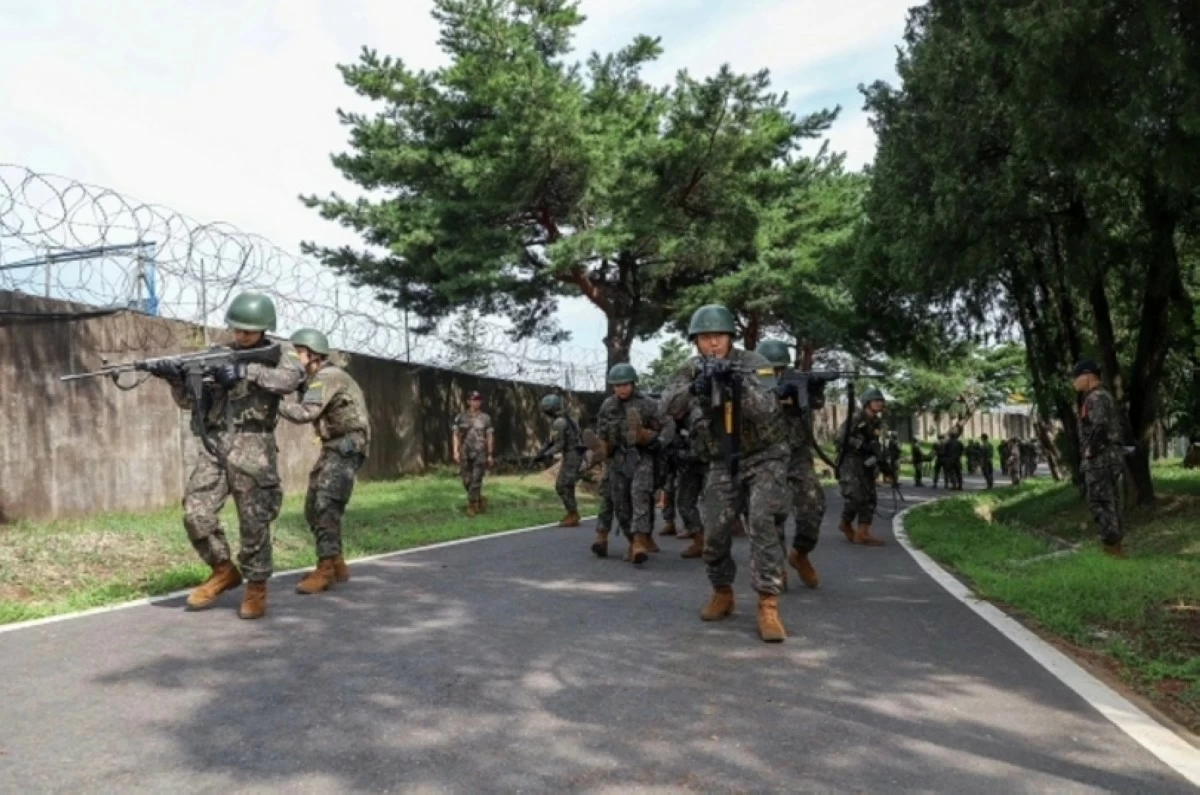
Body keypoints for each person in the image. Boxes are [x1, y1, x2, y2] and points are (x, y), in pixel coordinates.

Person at [143, 292, 305, 619]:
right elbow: (191, 402)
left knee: (253, 520)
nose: (241, 335)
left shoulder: (283, 353)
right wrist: (175, 378)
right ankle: (222, 570)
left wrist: (247, 373)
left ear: (264, 329)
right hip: (215, 443)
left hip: (253, 444)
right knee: (195, 511)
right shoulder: (218, 354)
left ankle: (256, 585)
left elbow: (291, 380)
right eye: (237, 329)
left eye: (249, 330)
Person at [661, 305, 790, 642]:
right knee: (715, 529)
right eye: (705, 338)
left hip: (764, 456)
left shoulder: (754, 364)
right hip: (722, 459)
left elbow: (767, 409)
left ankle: (768, 604)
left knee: (762, 520)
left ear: (730, 337)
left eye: (717, 336)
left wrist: (734, 383)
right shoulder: (690, 369)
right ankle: (722, 591)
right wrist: (696, 389)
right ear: (696, 342)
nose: (712, 344)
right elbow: (666, 408)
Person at [279, 328, 370, 594]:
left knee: (325, 502)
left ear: (314, 354)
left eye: (299, 352)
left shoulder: (328, 376)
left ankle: (326, 568)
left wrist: (273, 402)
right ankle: (336, 560)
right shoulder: (315, 379)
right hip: (333, 446)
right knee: (312, 507)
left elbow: (306, 412)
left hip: (347, 445)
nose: (293, 357)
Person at [756, 339, 822, 589]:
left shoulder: (796, 380)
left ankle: (800, 553)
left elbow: (815, 404)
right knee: (773, 512)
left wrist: (812, 388)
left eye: (780, 369)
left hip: (798, 455)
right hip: (767, 455)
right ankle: (777, 565)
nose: (776, 374)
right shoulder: (754, 383)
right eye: (771, 370)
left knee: (813, 507)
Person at [596, 364, 667, 564]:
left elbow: (665, 429)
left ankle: (639, 541)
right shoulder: (608, 406)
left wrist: (649, 437)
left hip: (642, 455)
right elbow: (601, 431)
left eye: (625, 384)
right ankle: (631, 539)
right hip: (617, 456)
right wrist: (602, 447)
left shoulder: (649, 404)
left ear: (633, 383)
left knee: (640, 494)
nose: (622, 389)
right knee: (620, 501)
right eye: (617, 385)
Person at [1072, 360, 1126, 556]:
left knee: (1101, 502)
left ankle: (1112, 548)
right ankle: (1114, 546)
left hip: (1101, 459)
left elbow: (1100, 426)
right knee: (1106, 501)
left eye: (1076, 377)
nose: (1074, 382)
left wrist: (1091, 451)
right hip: (1103, 457)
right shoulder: (1094, 397)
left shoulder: (1096, 397)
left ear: (1088, 376)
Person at [836, 387, 887, 546]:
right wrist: (861, 445)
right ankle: (845, 523)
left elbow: (875, 444)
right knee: (855, 496)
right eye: (876, 401)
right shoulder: (857, 417)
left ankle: (863, 532)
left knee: (870, 497)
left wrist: (881, 463)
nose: (879, 403)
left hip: (866, 464)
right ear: (867, 403)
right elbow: (839, 438)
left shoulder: (877, 421)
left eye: (881, 401)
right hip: (850, 462)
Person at [538, 393, 584, 527]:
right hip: (573, 454)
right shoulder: (566, 419)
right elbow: (553, 441)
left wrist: (546, 454)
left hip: (572, 455)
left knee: (562, 485)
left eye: (546, 410)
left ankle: (573, 513)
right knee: (567, 485)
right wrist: (544, 450)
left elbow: (559, 445)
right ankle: (572, 513)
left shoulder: (559, 422)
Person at [452, 391, 494, 516]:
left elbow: (490, 436)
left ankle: (471, 505)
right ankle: (479, 499)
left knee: (476, 479)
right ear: (468, 401)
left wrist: (490, 454)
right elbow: (455, 435)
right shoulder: (460, 417)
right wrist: (455, 451)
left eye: (478, 400)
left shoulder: (486, 418)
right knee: (466, 480)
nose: (476, 402)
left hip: (480, 452)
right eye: (473, 399)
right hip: (465, 451)